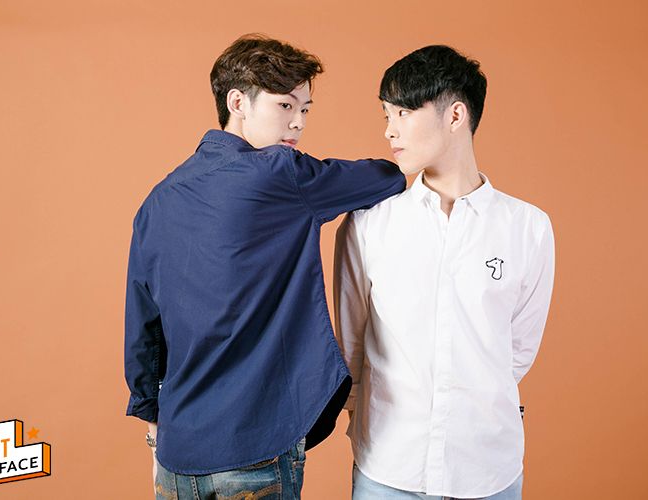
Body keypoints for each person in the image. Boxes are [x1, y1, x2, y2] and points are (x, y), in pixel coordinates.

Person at [124, 34, 405, 500]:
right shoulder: (281, 173)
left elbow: (143, 325)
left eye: (306, 109)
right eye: (285, 105)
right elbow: (385, 176)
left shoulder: (157, 200)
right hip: (253, 445)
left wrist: (153, 420)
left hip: (175, 453)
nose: (298, 122)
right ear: (238, 102)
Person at [334, 44, 555, 499]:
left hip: (488, 471)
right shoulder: (369, 223)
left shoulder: (528, 228)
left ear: (455, 115)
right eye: (386, 115)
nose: (389, 130)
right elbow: (351, 344)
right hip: (388, 469)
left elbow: (516, 351)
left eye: (403, 113)